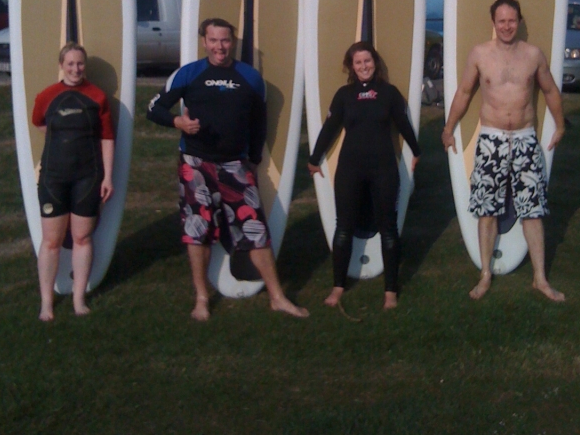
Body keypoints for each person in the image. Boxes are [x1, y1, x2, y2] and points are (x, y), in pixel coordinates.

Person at [147, 18, 309, 321]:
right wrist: (177, 122)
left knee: (256, 230)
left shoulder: (250, 77)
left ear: (232, 42)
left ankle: (277, 297)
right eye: (213, 40)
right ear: (204, 41)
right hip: (194, 164)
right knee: (198, 231)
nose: (219, 47)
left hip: (235, 164)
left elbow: (261, 124)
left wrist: (254, 160)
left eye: (225, 41)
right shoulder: (188, 73)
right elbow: (153, 108)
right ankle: (202, 299)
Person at [441, 0, 565, 302]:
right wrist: (447, 128)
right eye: (501, 21)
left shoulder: (533, 54)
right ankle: (485, 275)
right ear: (493, 23)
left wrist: (561, 125)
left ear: (519, 21)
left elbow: (549, 90)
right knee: (487, 210)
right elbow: (465, 92)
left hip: (524, 139)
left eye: (512, 20)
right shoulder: (480, 54)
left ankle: (540, 278)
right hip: (491, 139)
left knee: (532, 211)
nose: (507, 26)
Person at [307, 42, 420, 310]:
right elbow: (330, 127)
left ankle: (390, 291)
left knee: (388, 228)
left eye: (367, 61)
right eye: (358, 63)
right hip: (350, 168)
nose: (364, 66)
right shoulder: (344, 95)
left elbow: (403, 124)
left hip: (383, 168)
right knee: (343, 227)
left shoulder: (389, 93)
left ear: (375, 62)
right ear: (351, 67)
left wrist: (416, 151)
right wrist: (314, 159)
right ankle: (338, 286)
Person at [32, 42, 115, 321]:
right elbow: (40, 123)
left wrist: (108, 176)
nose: (76, 69)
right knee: (51, 241)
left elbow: (107, 138)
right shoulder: (47, 96)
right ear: (61, 65)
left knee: (82, 237)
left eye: (80, 64)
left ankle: (79, 298)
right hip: (54, 178)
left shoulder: (97, 96)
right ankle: (47, 302)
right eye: (70, 64)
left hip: (87, 177)